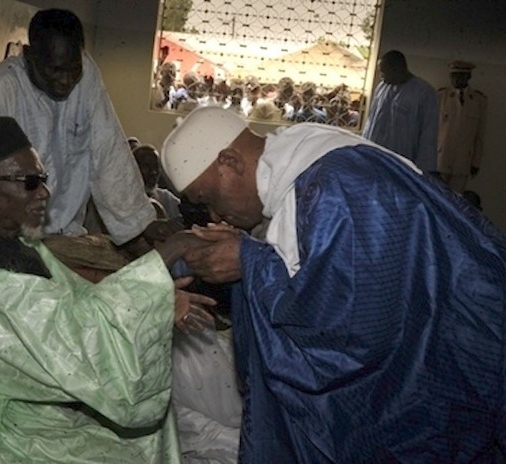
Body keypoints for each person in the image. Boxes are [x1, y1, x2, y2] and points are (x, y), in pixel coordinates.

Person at [159, 106, 506, 462]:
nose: (215, 215)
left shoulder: (335, 186)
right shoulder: (308, 163)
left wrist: (248, 261)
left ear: (229, 161)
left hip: (464, 355)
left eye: (208, 199)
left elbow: (355, 326)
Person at [0, 116, 217, 464]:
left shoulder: (1, 240)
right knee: (120, 450)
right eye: (29, 182)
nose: (44, 192)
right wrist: (170, 252)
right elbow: (77, 343)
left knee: (142, 427)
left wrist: (151, 301)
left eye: (42, 179)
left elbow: (73, 301)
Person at [0, 9, 173, 253]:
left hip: (68, 235)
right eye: (55, 70)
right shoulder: (1, 89)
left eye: (72, 69)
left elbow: (108, 151)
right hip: (15, 240)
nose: (66, 81)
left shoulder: (87, 74)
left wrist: (140, 224)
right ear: (30, 55)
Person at [362, 50, 439, 173]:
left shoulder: (424, 92)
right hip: (374, 160)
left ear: (397, 69)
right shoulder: (381, 88)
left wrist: (424, 170)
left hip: (401, 165)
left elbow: (428, 135)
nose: (381, 76)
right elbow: (370, 123)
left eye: (384, 72)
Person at [437, 60, 488, 192]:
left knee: (456, 200)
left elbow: (479, 135)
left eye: (460, 75)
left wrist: (476, 162)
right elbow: (431, 130)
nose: (456, 79)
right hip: (441, 158)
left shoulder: (478, 100)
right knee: (436, 196)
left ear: (468, 77)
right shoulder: (441, 96)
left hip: (463, 160)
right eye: (453, 75)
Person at [133, 144, 183, 223]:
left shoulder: (166, 198)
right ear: (134, 168)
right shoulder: (124, 200)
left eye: (156, 166)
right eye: (146, 166)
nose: (153, 172)